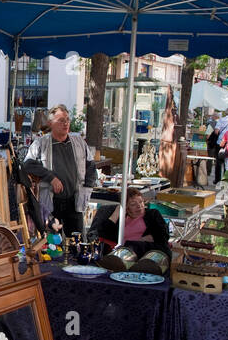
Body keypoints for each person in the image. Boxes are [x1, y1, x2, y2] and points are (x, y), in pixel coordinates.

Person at [23, 104, 91, 236]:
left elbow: (91, 167)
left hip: (74, 202)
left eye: (67, 120)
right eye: (61, 120)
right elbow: (27, 164)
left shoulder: (79, 142)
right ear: (50, 123)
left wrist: (86, 189)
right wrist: (51, 178)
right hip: (51, 203)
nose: (65, 123)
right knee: (52, 245)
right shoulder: (40, 143)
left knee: (76, 243)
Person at [100, 186, 170, 257]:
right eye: (133, 204)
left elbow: (163, 235)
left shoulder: (152, 214)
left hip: (146, 255)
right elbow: (104, 234)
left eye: (141, 202)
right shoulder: (122, 218)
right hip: (122, 254)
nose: (139, 206)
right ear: (126, 207)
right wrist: (117, 212)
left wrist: (140, 241)